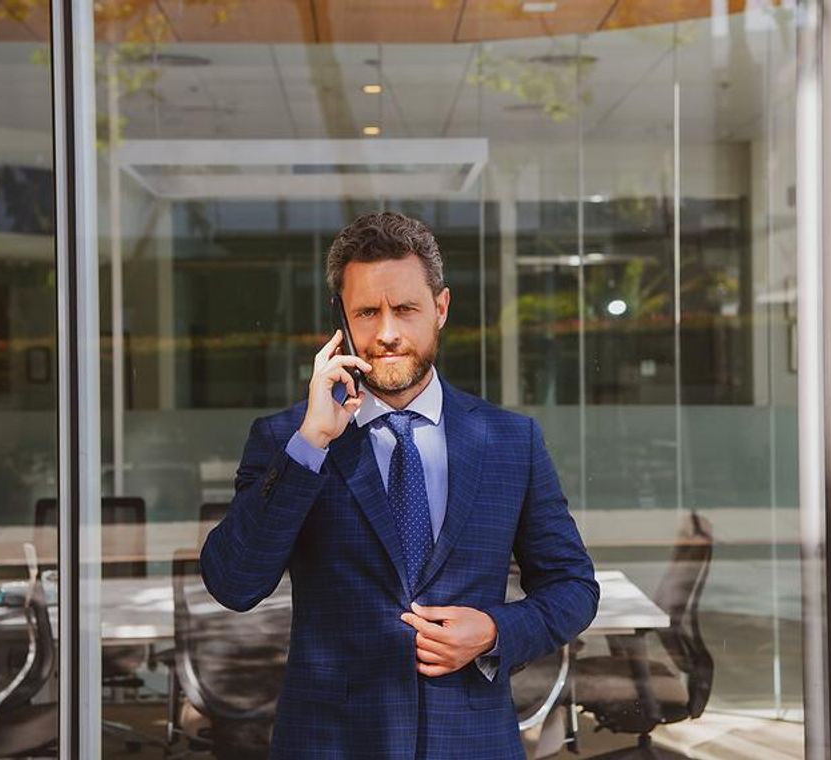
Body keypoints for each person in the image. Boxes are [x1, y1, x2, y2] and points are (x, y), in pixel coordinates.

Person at [200, 211, 599, 759]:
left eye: (405, 309)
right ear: (341, 317)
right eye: (367, 311)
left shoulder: (511, 441)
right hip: (330, 743)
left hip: (471, 741)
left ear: (440, 308)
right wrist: (312, 440)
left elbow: (573, 586)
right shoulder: (287, 440)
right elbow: (234, 583)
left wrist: (495, 631)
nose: (386, 332)